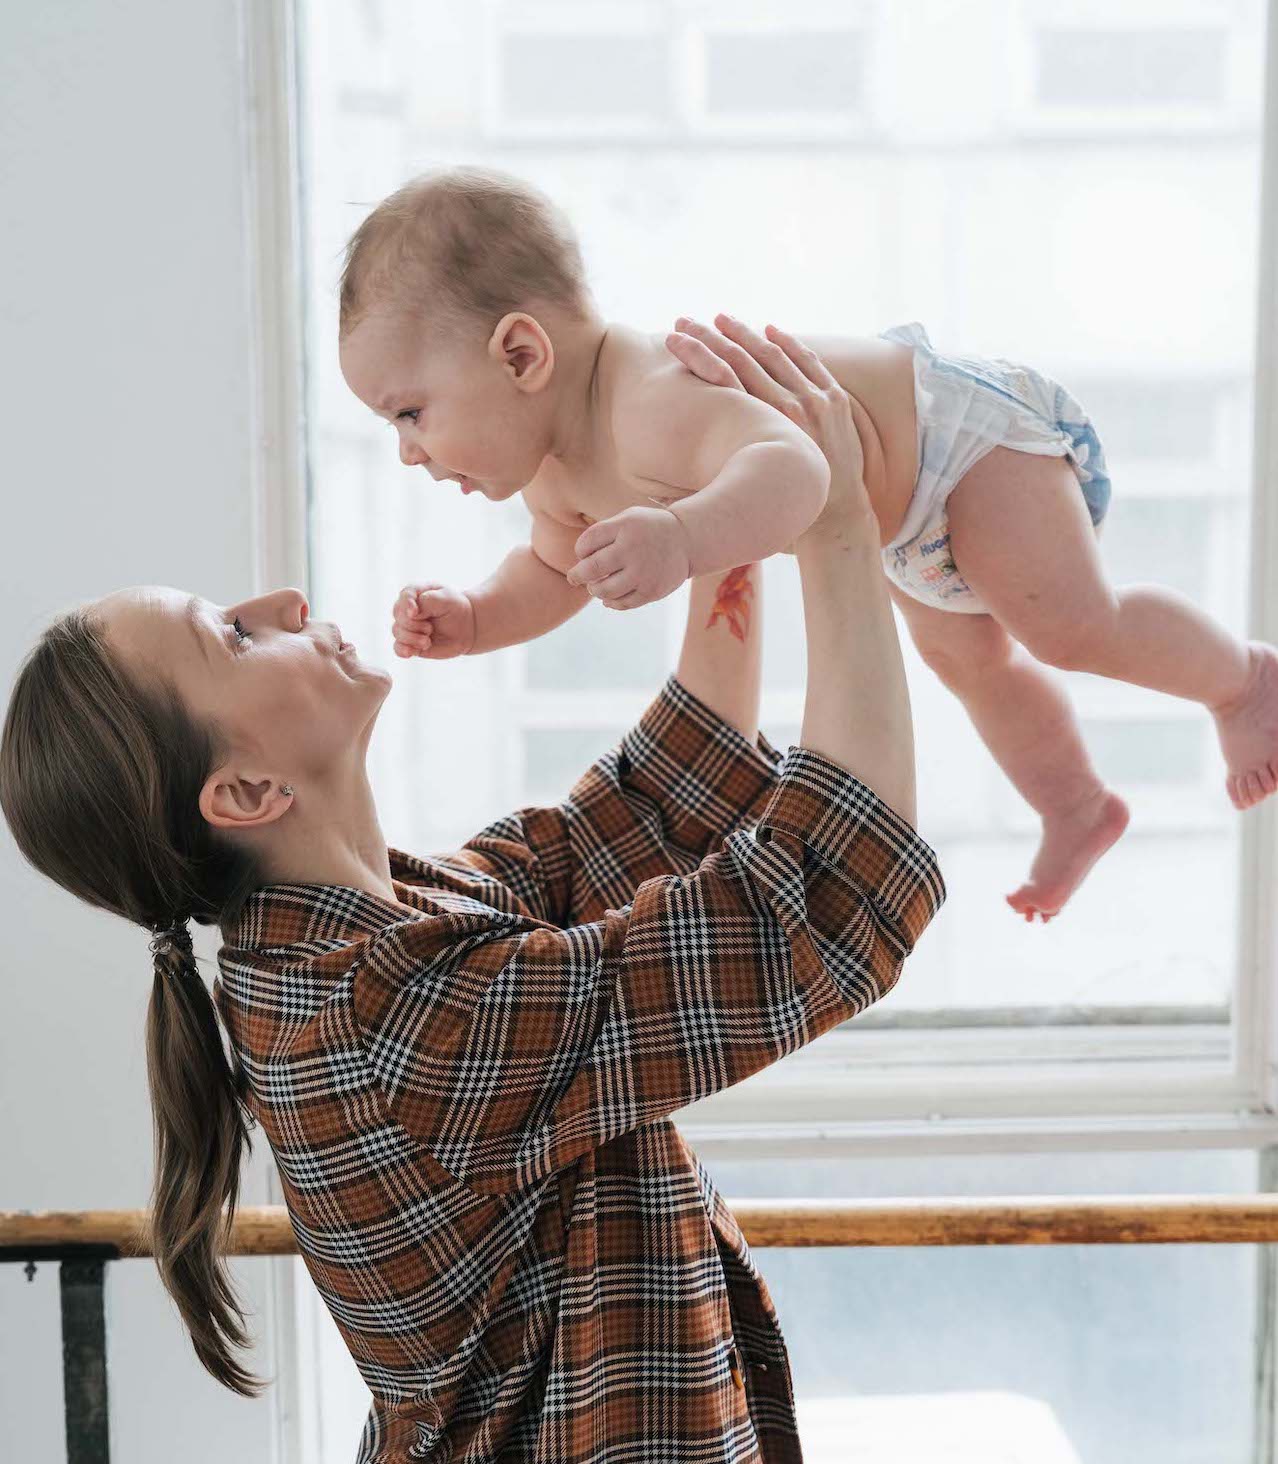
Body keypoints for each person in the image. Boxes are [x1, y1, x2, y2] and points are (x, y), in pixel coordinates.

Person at [1, 323, 941, 1462]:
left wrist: (724, 509)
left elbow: (646, 813)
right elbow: (826, 896)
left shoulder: (378, 931)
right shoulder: (394, 1017)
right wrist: (836, 530)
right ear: (245, 789)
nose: (285, 601)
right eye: (235, 637)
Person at [338, 165, 1278, 924]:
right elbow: (551, 574)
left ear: (520, 355)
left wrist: (682, 533)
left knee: (1068, 628)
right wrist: (476, 617)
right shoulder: (554, 473)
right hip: (903, 528)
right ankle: (1074, 802)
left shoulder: (653, 397)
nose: (409, 451)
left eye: (410, 413)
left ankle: (1241, 681)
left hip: (963, 443)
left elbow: (796, 471)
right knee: (970, 662)